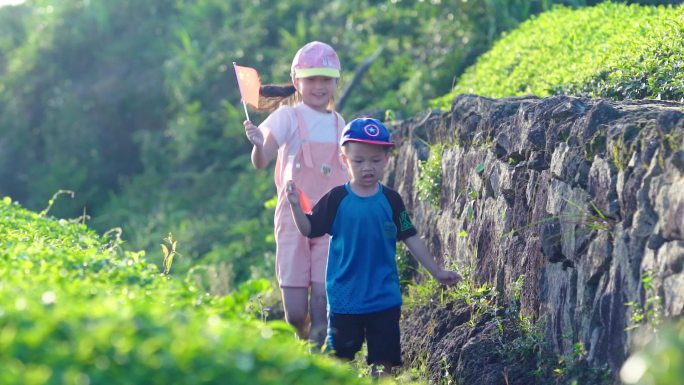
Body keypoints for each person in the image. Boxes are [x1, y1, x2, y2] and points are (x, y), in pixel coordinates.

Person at [285, 117, 462, 375]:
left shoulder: (391, 200)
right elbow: (309, 228)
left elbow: (410, 236)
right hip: (345, 299)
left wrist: (436, 271)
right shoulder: (336, 199)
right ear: (345, 161)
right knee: (340, 363)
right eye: (358, 161)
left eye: (375, 160)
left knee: (385, 362)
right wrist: (294, 206)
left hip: (384, 297)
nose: (368, 167)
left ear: (387, 160)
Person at [243, 41, 349, 347]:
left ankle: (318, 352)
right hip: (293, 219)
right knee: (294, 312)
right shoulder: (287, 117)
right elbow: (262, 161)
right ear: (296, 81)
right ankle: (303, 335)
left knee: (321, 299)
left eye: (325, 79)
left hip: (329, 222)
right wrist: (256, 144)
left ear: (335, 82)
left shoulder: (339, 123)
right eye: (311, 79)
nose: (319, 86)